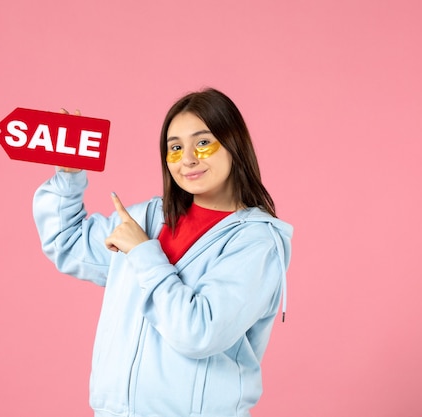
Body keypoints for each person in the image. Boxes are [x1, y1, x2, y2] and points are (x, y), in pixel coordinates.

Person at [33, 88, 293, 417]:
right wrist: (68, 175)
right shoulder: (145, 218)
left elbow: (200, 333)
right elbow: (66, 242)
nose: (187, 159)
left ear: (234, 145)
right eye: (175, 147)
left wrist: (143, 251)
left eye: (203, 142)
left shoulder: (256, 243)